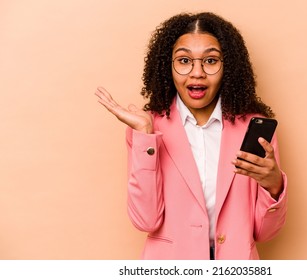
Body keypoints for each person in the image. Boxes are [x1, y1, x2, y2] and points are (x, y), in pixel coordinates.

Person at [95, 12, 287, 260]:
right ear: (167, 66)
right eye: (184, 61)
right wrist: (144, 136)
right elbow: (146, 220)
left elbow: (264, 233)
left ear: (228, 67)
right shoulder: (147, 128)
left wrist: (273, 186)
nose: (197, 73)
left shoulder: (253, 130)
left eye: (210, 61)